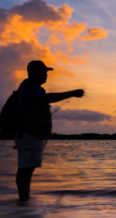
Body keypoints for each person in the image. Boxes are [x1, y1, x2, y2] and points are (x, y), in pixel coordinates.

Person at [14, 59, 84, 201]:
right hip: (29, 134)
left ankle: (24, 201)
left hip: (30, 134)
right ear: (33, 73)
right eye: (43, 72)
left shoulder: (30, 87)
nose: (46, 75)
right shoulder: (31, 88)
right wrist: (71, 93)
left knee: (27, 168)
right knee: (26, 169)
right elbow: (44, 99)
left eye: (46, 72)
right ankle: (23, 201)